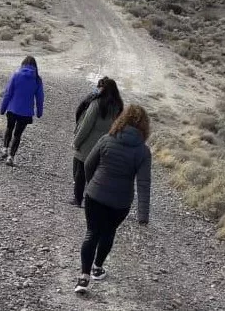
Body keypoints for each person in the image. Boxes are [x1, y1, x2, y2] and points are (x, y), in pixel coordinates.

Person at [74, 105, 151, 294]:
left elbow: (88, 164)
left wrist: (92, 184)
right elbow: (143, 184)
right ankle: (97, 268)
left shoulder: (106, 139)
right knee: (108, 233)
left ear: (121, 120)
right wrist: (143, 215)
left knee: (92, 233)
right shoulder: (143, 151)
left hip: (95, 196)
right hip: (120, 202)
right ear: (144, 126)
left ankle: (83, 278)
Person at [72, 78, 123, 207]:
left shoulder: (97, 103)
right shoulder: (119, 107)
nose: (97, 89)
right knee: (96, 174)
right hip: (106, 146)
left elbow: (86, 125)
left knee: (79, 171)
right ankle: (94, 199)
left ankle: (78, 199)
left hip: (88, 145)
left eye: (99, 87)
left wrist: (76, 142)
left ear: (103, 89)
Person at [0, 56, 44, 166]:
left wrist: (3, 108)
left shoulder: (16, 75)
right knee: (18, 135)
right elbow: (40, 98)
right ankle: (11, 157)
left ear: (23, 64)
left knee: (9, 128)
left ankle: (4, 149)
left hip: (12, 109)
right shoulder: (37, 79)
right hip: (26, 112)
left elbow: (8, 93)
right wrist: (39, 112)